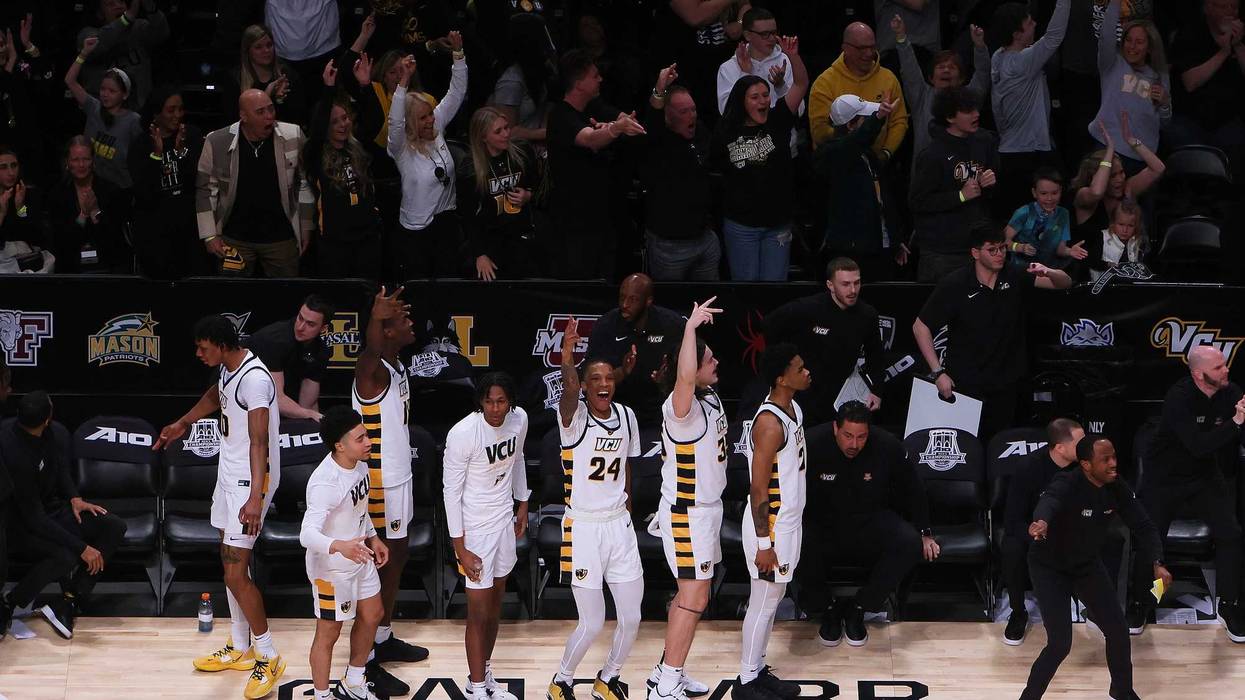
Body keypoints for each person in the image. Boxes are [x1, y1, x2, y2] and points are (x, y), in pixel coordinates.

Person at [153, 315, 285, 699]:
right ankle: (240, 646)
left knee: (235, 573)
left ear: (222, 344)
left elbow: (260, 442)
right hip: (229, 475)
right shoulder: (229, 370)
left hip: (250, 481)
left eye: (203, 347)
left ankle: (268, 655)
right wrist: (182, 423)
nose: (198, 353)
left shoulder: (256, 380)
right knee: (228, 564)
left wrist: (256, 497)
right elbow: (216, 396)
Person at [1023, 435, 1170, 700]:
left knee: (1118, 631)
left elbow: (1144, 525)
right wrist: (1041, 522)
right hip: (1050, 568)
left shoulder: (1116, 486)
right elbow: (1050, 501)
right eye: (1106, 459)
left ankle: (1122, 691)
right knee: (1059, 644)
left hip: (1086, 564)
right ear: (1086, 465)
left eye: (1114, 457)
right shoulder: (1067, 482)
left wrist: (1157, 562)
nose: (1114, 464)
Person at [546, 317, 643, 700]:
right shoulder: (574, 418)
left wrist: (628, 511)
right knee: (592, 621)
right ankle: (562, 680)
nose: (604, 385)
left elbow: (628, 468)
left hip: (618, 525)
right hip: (583, 528)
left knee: (632, 618)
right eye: (596, 380)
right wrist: (568, 355)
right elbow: (569, 386)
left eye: (609, 379)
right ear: (585, 387)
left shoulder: (627, 417)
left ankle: (608, 678)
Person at [1127, 345, 1245, 641]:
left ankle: (1229, 605)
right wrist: (1235, 423)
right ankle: (1143, 601)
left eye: (1225, 364)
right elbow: (1198, 445)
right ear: (1198, 373)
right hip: (1164, 478)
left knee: (1230, 534)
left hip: (1204, 477)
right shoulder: (1178, 399)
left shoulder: (1231, 393)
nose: (1226, 370)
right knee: (1151, 542)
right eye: (1218, 367)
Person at [912, 225, 1072, 442]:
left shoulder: (1014, 274)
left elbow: (1064, 283)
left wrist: (1049, 271)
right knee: (967, 444)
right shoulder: (955, 284)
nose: (999, 255)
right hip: (966, 382)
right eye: (992, 250)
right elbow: (920, 327)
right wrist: (938, 372)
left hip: (1007, 381)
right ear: (975, 253)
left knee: (1002, 444)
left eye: (1002, 248)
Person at [800, 400, 935, 648]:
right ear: (835, 429)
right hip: (822, 522)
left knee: (909, 542)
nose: (854, 444)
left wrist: (925, 532)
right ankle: (825, 609)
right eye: (848, 436)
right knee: (794, 539)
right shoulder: (810, 443)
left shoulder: (887, 445)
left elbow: (913, 487)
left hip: (870, 520)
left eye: (861, 437)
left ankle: (860, 607)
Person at [644, 298, 726, 700]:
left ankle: (666, 670)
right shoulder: (682, 410)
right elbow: (686, 378)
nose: (715, 363)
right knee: (695, 597)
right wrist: (690, 329)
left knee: (688, 596)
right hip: (687, 514)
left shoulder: (709, 400)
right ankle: (667, 683)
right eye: (707, 359)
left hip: (706, 512)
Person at [351, 286, 429, 695]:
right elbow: (368, 353)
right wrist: (377, 318)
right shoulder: (371, 369)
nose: (410, 322)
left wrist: (384, 322)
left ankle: (382, 639)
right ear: (386, 331)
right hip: (379, 482)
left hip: (399, 478)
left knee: (397, 559)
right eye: (402, 319)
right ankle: (362, 665)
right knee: (377, 568)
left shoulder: (396, 365)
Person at [0, 391, 127, 640]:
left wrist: (74, 498)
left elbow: (60, 468)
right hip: (20, 526)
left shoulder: (53, 432)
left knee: (113, 526)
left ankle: (69, 600)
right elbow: (34, 518)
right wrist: (82, 548)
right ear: (47, 417)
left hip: (54, 510)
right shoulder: (11, 450)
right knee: (66, 555)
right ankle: (11, 602)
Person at [443, 372, 530, 700]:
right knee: (477, 613)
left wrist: (522, 502)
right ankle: (475, 688)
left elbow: (518, 458)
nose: (495, 408)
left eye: (501, 401)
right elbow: (450, 493)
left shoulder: (519, 420)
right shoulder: (462, 434)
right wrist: (460, 548)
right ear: (480, 403)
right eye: (489, 401)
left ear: (511, 402)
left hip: (503, 522)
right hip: (474, 529)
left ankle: (485, 675)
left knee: (495, 608)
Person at [735, 343, 809, 698]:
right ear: (781, 378)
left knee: (773, 600)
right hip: (772, 528)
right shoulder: (768, 424)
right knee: (762, 603)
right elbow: (758, 488)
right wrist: (764, 545)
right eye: (799, 367)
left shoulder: (793, 407)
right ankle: (746, 680)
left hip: (789, 523)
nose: (807, 371)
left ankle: (757, 667)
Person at [300, 406, 390, 700]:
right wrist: (342, 546)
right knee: (329, 633)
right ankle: (322, 695)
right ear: (340, 445)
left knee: (373, 613)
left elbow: (359, 509)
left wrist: (374, 537)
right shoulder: (325, 481)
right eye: (360, 438)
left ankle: (353, 680)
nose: (368, 442)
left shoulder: (360, 465)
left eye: (366, 435)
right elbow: (307, 534)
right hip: (331, 567)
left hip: (359, 554)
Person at [712, 36, 808, 282]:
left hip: (778, 225)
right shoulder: (726, 130)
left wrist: (793, 56)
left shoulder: (778, 120)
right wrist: (746, 74)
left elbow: (800, 84)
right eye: (755, 97)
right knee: (746, 293)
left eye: (765, 95)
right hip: (742, 226)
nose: (763, 100)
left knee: (775, 290)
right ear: (742, 102)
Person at [546, 49, 645, 280]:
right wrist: (615, 128)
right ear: (579, 83)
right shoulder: (560, 115)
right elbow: (590, 139)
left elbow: (624, 121)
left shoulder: (593, 108)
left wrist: (621, 123)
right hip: (574, 225)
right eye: (594, 75)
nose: (600, 79)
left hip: (603, 217)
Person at [196, 88, 313, 278]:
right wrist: (209, 235)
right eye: (260, 112)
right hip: (234, 239)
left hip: (281, 237)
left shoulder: (294, 135)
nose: (269, 116)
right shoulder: (216, 141)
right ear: (244, 116)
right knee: (233, 300)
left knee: (286, 297)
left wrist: (306, 225)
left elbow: (305, 182)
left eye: (271, 109)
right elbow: (205, 190)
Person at [763, 258, 886, 426]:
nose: (852, 290)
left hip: (844, 395)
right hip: (805, 393)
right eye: (845, 284)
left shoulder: (867, 315)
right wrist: (786, 366)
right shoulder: (807, 308)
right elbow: (769, 325)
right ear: (830, 285)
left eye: (857, 283)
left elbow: (876, 356)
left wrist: (876, 391)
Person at [388, 34, 468, 280]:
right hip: (416, 232)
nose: (431, 120)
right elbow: (395, 122)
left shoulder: (437, 129)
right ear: (411, 121)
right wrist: (403, 83)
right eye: (423, 117)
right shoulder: (400, 147)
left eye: (431, 114)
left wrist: (458, 55)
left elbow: (456, 93)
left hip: (446, 224)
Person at [1000, 418, 1084, 646]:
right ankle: (1018, 613)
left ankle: (1097, 607)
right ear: (1060, 447)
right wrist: (1037, 533)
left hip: (1074, 529)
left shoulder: (1086, 465)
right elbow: (1012, 520)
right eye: (1081, 442)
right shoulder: (1028, 468)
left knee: (1112, 537)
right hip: (1036, 532)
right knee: (1012, 547)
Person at [988, 0, 1071, 220]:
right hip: (1028, 157)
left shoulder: (998, 57)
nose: (1035, 24)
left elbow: (997, 107)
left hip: (1009, 152)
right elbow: (1054, 36)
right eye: (1029, 22)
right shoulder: (1023, 61)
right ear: (1017, 34)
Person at [908, 86, 998, 282]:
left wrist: (988, 185)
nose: (976, 115)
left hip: (976, 246)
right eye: (968, 111)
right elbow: (918, 202)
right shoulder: (932, 155)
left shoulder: (984, 143)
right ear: (950, 117)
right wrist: (960, 196)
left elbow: (989, 197)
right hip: (941, 252)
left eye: (976, 109)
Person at [305, 60, 384, 279]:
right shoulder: (315, 155)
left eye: (345, 118)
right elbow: (318, 129)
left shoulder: (357, 146)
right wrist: (328, 89)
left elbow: (376, 120)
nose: (343, 125)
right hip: (335, 245)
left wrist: (366, 85)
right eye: (334, 122)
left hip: (367, 240)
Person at [816, 94, 906, 282]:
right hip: (850, 250)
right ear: (850, 125)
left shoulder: (868, 155)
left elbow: (883, 199)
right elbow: (854, 142)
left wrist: (895, 239)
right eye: (865, 119)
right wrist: (878, 119)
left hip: (880, 246)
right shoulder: (832, 153)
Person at [642, 64, 719, 282]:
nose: (691, 115)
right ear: (667, 116)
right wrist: (659, 88)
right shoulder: (657, 141)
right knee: (671, 308)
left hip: (705, 240)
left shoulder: (701, 133)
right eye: (684, 111)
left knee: (708, 308)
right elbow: (652, 122)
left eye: (693, 109)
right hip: (669, 247)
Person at [891, 15, 991, 178]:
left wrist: (979, 46)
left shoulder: (969, 97)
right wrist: (901, 39)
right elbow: (910, 71)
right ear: (931, 78)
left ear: (962, 78)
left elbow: (982, 74)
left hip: (962, 173)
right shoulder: (921, 96)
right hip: (926, 173)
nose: (946, 70)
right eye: (941, 67)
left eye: (952, 67)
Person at [585, 273, 685, 427]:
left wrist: (666, 380)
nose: (624, 304)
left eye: (633, 299)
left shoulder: (672, 325)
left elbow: (691, 374)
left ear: (648, 301)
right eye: (622, 297)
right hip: (617, 409)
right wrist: (622, 371)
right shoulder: (605, 326)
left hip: (662, 410)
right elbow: (590, 384)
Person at [128, 85, 204, 279]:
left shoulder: (192, 137)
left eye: (180, 109)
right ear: (156, 114)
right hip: (155, 234)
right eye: (171, 110)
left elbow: (196, 182)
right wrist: (157, 156)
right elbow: (144, 193)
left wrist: (180, 153)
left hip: (188, 231)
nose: (177, 115)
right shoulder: (141, 145)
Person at [460, 106, 540, 281]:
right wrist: (479, 254)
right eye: (498, 131)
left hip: (520, 237)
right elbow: (468, 217)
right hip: (490, 241)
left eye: (506, 127)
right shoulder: (471, 169)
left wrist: (528, 196)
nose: (506, 134)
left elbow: (540, 188)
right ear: (483, 137)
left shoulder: (522, 152)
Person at [808, 22, 908, 162]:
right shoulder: (824, 83)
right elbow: (819, 132)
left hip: (879, 165)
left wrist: (886, 153)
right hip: (837, 165)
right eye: (861, 48)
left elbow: (899, 120)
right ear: (845, 49)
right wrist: (850, 136)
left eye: (872, 47)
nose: (868, 53)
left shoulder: (888, 79)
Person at [1091, 0, 1171, 172]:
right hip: (1106, 146)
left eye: (1139, 42)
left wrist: (1165, 103)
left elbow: (1164, 123)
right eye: (1128, 40)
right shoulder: (1112, 63)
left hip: (1142, 156)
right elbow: (1106, 35)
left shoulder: (1159, 75)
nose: (1132, 47)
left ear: (1150, 47)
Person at [1165, 0, 1245, 162]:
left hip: (1228, 119)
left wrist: (1238, 46)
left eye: (1234, 7)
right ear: (1208, 8)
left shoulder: (1242, 34)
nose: (1230, 12)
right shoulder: (1190, 34)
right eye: (1223, 6)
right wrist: (1224, 52)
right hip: (1189, 118)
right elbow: (1191, 83)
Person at [1069, 116, 1165, 246]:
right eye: (1112, 176)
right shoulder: (1084, 195)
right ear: (1096, 176)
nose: (1120, 179)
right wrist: (1110, 150)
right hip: (1091, 264)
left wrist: (1133, 142)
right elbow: (1097, 192)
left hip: (1123, 264)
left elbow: (1158, 169)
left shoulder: (1128, 189)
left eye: (1121, 173)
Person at [65, 37, 142, 190]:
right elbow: (70, 80)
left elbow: (139, 157)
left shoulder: (133, 120)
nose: (105, 94)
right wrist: (84, 53)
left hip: (119, 188)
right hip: (91, 184)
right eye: (103, 89)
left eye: (112, 91)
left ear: (125, 95)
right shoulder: (94, 107)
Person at [47, 135, 130, 274]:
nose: (81, 165)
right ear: (67, 162)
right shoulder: (57, 195)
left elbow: (116, 239)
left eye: (86, 159)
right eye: (75, 159)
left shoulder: (111, 191)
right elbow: (61, 241)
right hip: (71, 268)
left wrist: (96, 212)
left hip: (108, 266)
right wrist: (83, 216)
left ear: (93, 161)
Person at [245, 296, 333, 422]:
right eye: (300, 318)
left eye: (310, 324)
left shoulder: (321, 352)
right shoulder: (275, 340)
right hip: (237, 398)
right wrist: (310, 415)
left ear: (323, 329)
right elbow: (276, 398)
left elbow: (308, 405)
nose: (301, 327)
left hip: (272, 405)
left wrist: (318, 427)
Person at [74, 0, 169, 109]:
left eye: (121, 2)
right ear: (100, 14)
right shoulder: (87, 34)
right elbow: (99, 43)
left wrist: (152, 9)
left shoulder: (138, 28)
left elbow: (162, 33)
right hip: (102, 115)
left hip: (139, 112)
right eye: (110, 4)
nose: (118, 6)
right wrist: (126, 18)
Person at [217, 24, 304, 126]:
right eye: (258, 47)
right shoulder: (235, 79)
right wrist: (267, 95)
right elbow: (234, 123)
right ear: (248, 51)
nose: (266, 51)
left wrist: (279, 100)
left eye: (269, 45)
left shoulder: (287, 75)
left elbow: (298, 120)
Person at [1003, 168, 1085, 271]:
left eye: (1054, 193)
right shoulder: (1024, 213)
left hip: (1050, 271)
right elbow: (1003, 242)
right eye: (1044, 193)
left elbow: (1060, 249)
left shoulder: (1063, 214)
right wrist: (1020, 247)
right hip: (1023, 270)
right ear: (1034, 193)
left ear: (1061, 191)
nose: (1049, 198)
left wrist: (1070, 251)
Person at [715, 8, 795, 115]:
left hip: (781, 129)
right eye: (765, 34)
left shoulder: (785, 61)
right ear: (747, 35)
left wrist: (781, 86)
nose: (772, 38)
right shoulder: (728, 68)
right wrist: (745, 75)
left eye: (774, 32)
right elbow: (726, 111)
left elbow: (799, 110)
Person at [0, 146, 52, 274]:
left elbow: (36, 236)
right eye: (3, 167)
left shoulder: (28, 194)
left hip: (27, 259)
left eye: (14, 166)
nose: (11, 173)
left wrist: (20, 208)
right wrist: (1, 213)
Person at [1083, 198, 1148, 281]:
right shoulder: (1102, 237)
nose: (1125, 230)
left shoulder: (1139, 242)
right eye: (1121, 224)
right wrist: (1107, 265)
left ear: (1137, 226)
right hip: (1101, 287)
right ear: (1113, 222)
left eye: (1130, 226)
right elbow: (1092, 261)